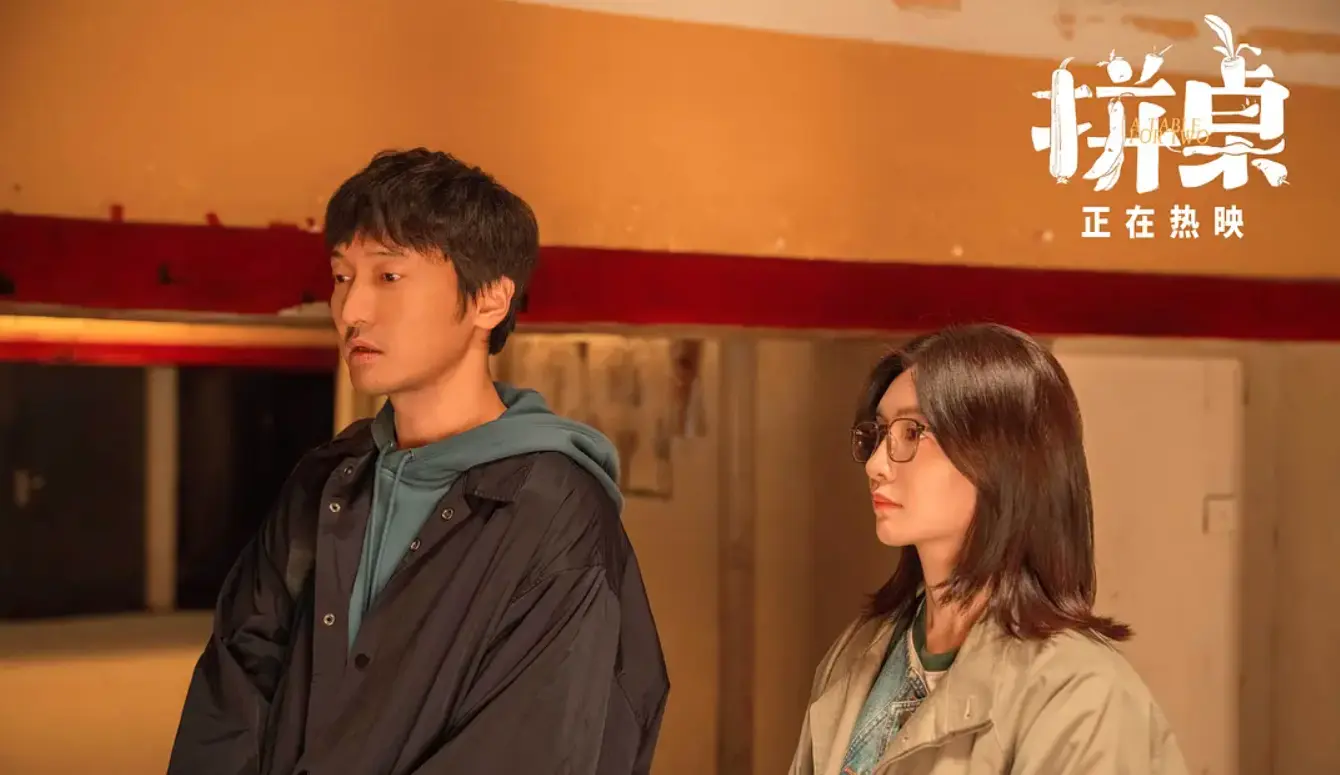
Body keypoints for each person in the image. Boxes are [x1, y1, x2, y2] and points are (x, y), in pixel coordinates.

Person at [168, 149, 669, 775]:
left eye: (388, 276)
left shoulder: (554, 511)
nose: (351, 310)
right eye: (342, 276)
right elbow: (234, 686)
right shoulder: (327, 479)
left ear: (489, 301)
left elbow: (528, 748)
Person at [789, 324, 1188, 775]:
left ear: (1001, 459)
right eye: (879, 433)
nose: (877, 464)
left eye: (912, 433)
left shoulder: (1083, 695)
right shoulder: (858, 653)